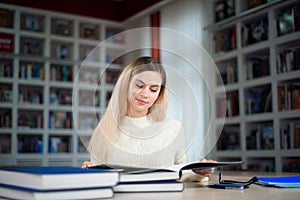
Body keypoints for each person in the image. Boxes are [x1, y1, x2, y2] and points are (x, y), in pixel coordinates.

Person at [82, 56, 214, 180]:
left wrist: (199, 172)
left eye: (153, 89)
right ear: (125, 85)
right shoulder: (104, 130)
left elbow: (180, 174)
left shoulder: (173, 129)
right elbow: (99, 178)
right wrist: (90, 172)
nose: (145, 94)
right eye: (139, 86)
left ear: (159, 93)